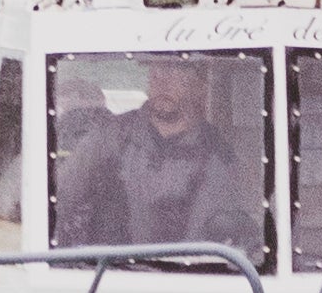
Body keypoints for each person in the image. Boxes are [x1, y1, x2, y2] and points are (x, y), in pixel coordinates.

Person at [55, 59, 269, 257]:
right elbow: (59, 199)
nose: (161, 79)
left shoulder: (219, 154)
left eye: (176, 70)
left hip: (193, 280)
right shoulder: (108, 137)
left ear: (200, 86)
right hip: (112, 278)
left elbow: (243, 231)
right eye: (154, 71)